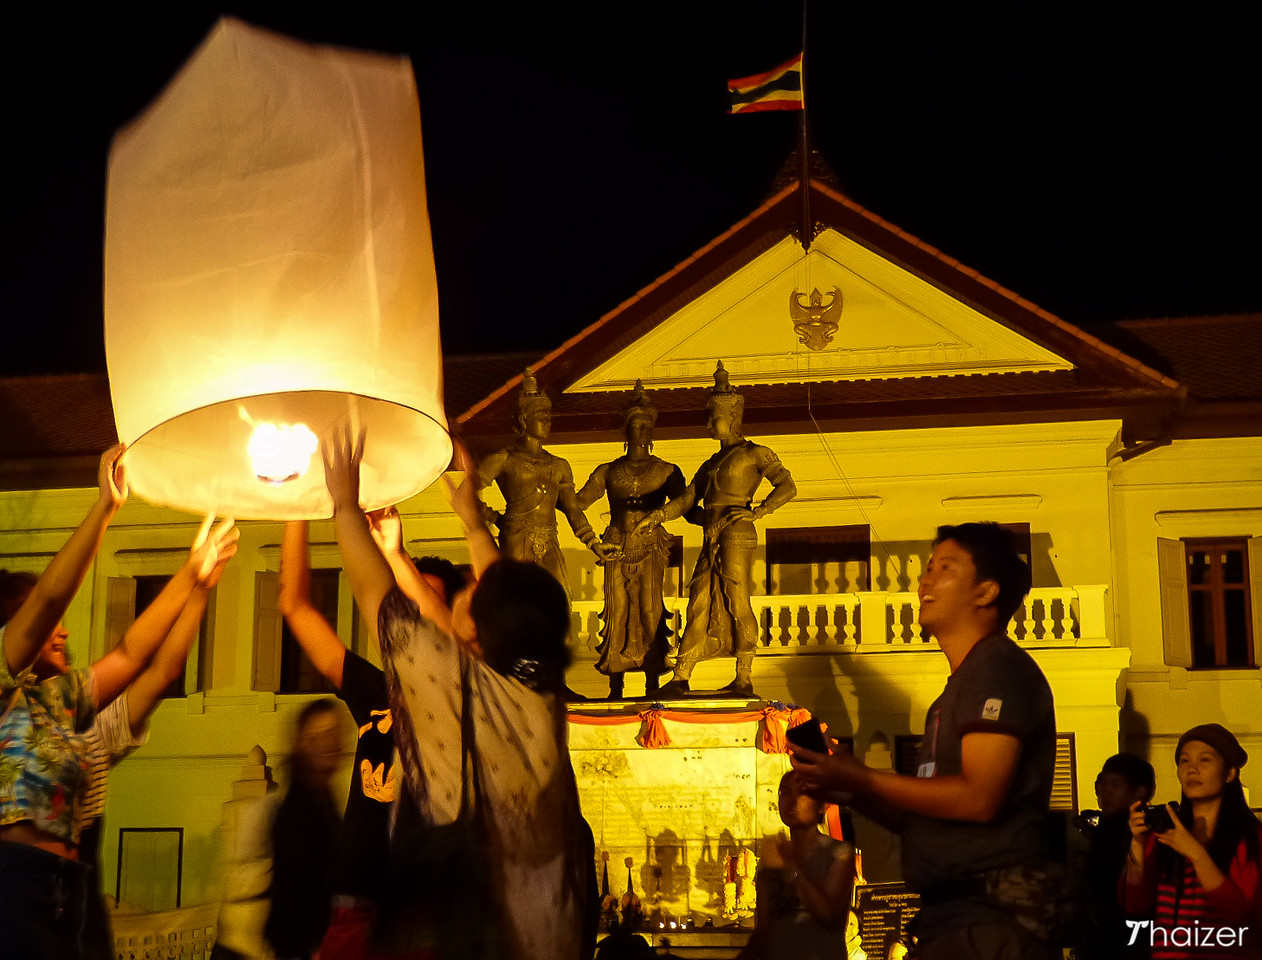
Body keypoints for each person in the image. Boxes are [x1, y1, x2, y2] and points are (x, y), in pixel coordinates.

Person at [324, 429, 591, 960]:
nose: (467, 588)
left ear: (475, 635)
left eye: (468, 593)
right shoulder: (540, 693)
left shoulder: (448, 682)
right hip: (549, 933)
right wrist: (467, 519)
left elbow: (377, 599)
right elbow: (506, 607)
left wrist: (343, 506)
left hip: (463, 933)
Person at [0, 445, 239, 960]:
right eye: (39, 626)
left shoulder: (59, 700)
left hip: (70, 886)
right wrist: (105, 506)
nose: (58, 630)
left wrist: (193, 575)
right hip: (13, 882)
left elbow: (134, 655)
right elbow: (46, 601)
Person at [790, 522, 1058, 960]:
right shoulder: (953, 692)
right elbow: (926, 817)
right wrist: (850, 787)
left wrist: (866, 777)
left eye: (944, 567)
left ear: (985, 592)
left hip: (990, 922)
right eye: (927, 567)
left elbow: (979, 798)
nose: (924, 580)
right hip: (951, 920)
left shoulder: (997, 668)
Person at [277, 516, 464, 960]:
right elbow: (294, 606)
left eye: (429, 603)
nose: (416, 617)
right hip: (356, 900)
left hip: (426, 908)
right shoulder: (376, 691)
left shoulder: (468, 703)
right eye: (408, 605)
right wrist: (295, 507)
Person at [637, 362, 796, 698]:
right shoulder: (709, 465)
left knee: (737, 600)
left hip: (737, 533)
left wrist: (758, 511)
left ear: (733, 417)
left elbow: (787, 486)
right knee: (699, 599)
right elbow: (687, 502)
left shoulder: (755, 453)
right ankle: (682, 673)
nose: (709, 424)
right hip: (713, 534)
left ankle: (743, 674)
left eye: (714, 417)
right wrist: (659, 515)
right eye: (709, 418)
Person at [576, 381, 686, 699]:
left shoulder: (666, 470)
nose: (640, 430)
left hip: (651, 546)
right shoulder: (609, 471)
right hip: (615, 544)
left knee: (651, 609)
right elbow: (579, 502)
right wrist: (547, 490)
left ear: (652, 430)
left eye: (646, 425)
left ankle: (652, 681)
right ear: (625, 430)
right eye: (635, 424)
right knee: (617, 610)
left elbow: (684, 505)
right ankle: (616, 683)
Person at [1122, 723, 1261, 959]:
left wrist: (1196, 854)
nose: (1191, 769)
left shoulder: (1249, 835)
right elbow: (1135, 905)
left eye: (1204, 760)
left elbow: (1241, 914)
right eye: (1184, 761)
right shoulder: (1167, 832)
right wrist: (1136, 842)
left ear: (1229, 773)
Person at [477, 368, 618, 596]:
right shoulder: (504, 459)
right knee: (519, 599)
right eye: (540, 416)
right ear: (524, 419)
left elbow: (573, 510)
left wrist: (593, 542)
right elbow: (468, 493)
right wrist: (494, 518)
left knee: (560, 598)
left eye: (548, 416)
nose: (547, 421)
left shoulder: (559, 465)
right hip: (517, 536)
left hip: (550, 537)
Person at [736, 770, 855, 960]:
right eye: (785, 793)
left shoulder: (839, 853)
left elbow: (828, 914)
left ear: (822, 805)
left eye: (803, 793)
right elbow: (764, 929)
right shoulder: (772, 858)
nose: (792, 801)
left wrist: (791, 865)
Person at [265, 698, 346, 960]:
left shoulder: (323, 800)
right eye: (318, 736)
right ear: (301, 744)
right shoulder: (296, 811)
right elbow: (295, 894)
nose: (330, 744)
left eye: (334, 733)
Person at [1075, 753, 1156, 959]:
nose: (1105, 790)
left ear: (1140, 792)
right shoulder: (1101, 829)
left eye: (1116, 784)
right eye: (1102, 783)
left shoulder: (1146, 832)